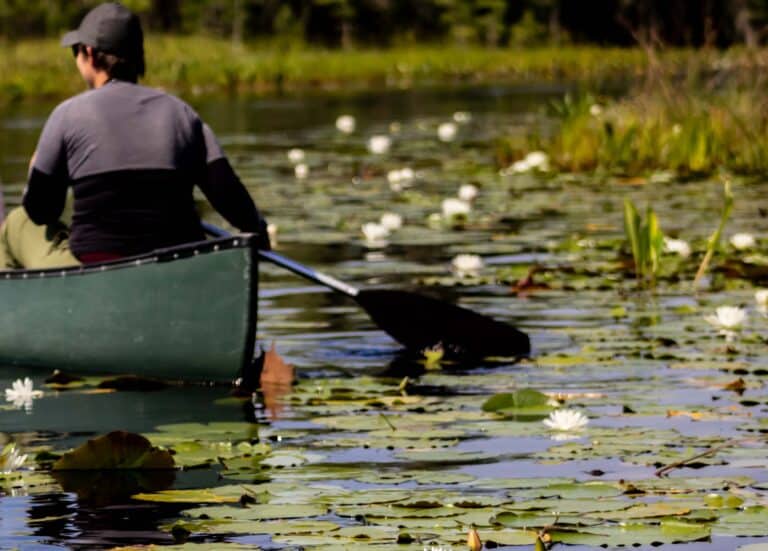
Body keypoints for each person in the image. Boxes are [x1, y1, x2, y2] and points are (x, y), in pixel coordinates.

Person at [0, 2, 269, 270]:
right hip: (180, 269)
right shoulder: (183, 114)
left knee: (16, 223)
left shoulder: (66, 115)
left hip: (97, 274)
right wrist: (259, 229)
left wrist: (36, 172)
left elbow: (41, 211)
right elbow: (231, 199)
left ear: (90, 54)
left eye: (76, 51)